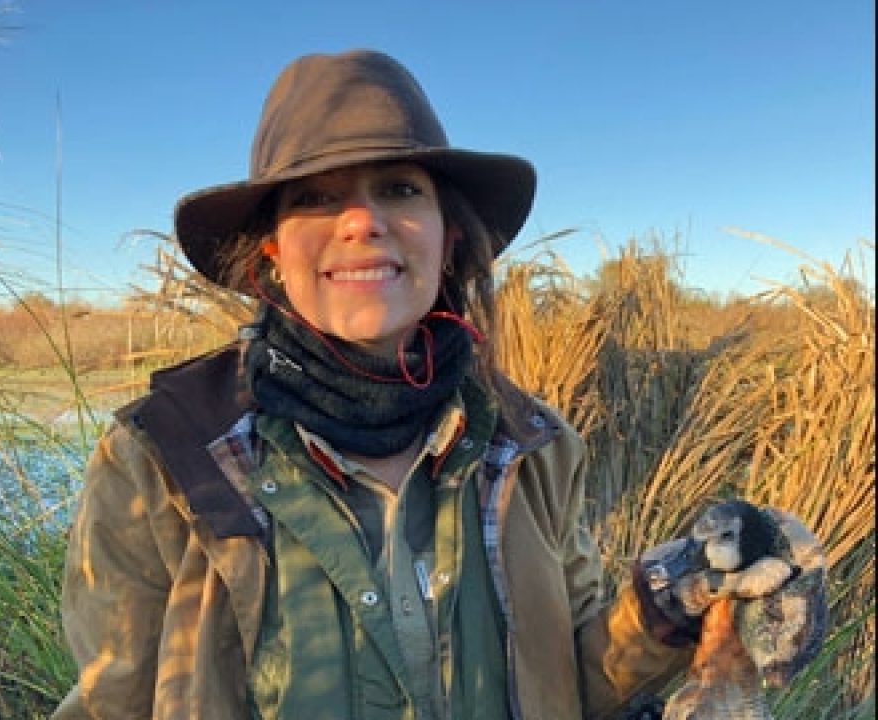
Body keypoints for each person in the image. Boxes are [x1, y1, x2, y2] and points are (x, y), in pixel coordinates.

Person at [52, 49, 824, 720]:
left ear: (450, 237)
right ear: (270, 255)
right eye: (317, 196)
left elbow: (571, 685)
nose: (361, 222)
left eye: (398, 189)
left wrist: (671, 600)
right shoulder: (162, 457)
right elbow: (113, 700)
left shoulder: (535, 446)